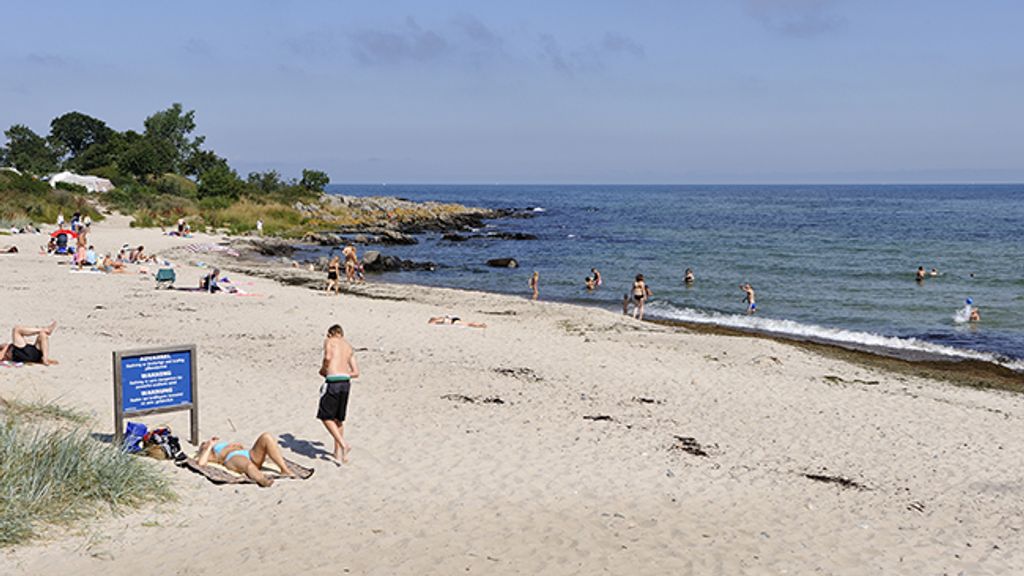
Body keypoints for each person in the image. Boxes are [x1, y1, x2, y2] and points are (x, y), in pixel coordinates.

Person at [318, 324, 360, 463]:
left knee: (325, 416)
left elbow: (328, 357)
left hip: (333, 381)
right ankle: (339, 454)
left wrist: (324, 368)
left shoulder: (329, 341)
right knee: (338, 419)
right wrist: (343, 373)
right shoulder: (348, 346)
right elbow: (356, 372)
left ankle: (343, 444)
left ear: (330, 334)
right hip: (345, 382)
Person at [196, 433, 295, 487]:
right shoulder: (210, 453)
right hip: (232, 458)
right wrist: (209, 447)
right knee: (248, 465)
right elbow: (201, 463)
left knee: (266, 437)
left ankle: (284, 470)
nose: (206, 442)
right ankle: (262, 480)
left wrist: (236, 445)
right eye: (204, 444)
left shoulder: (220, 445)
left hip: (248, 453)